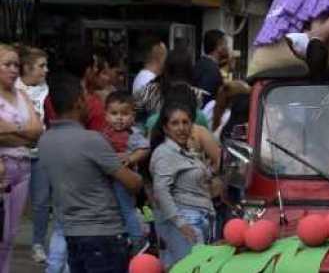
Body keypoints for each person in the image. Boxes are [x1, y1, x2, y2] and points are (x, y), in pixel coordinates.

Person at [39, 73, 142, 273]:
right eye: (86, 96)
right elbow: (132, 183)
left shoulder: (45, 141)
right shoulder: (92, 140)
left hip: (72, 233)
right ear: (78, 102)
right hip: (104, 234)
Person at [150, 101, 216, 267]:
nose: (181, 127)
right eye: (175, 123)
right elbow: (160, 191)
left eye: (185, 122)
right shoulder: (164, 153)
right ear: (166, 128)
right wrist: (181, 224)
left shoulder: (186, 152)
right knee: (189, 269)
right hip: (185, 221)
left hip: (200, 218)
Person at [0, 44, 44, 272]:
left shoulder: (21, 94)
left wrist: (13, 133)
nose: (13, 69)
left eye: (16, 64)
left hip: (24, 167)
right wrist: (25, 134)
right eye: (7, 64)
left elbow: (37, 131)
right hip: (2, 169)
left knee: (10, 233)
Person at [101, 91, 150, 252]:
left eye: (124, 114)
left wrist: (131, 158)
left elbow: (144, 148)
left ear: (133, 116)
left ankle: (137, 239)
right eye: (114, 113)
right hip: (106, 178)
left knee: (126, 208)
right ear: (106, 115)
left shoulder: (133, 134)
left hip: (124, 179)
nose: (119, 118)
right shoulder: (104, 133)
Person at [15, 45, 51, 264]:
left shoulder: (47, 91)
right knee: (10, 200)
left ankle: (38, 243)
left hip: (41, 153)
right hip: (16, 153)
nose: (46, 70)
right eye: (41, 66)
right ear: (27, 68)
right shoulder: (12, 89)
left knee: (42, 201)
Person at [136, 47, 208, 129]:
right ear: (190, 68)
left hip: (154, 134)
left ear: (166, 67)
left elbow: (137, 117)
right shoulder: (199, 95)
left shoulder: (148, 90)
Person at [63, 45, 106, 131]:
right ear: (88, 70)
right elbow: (97, 137)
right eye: (95, 67)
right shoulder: (93, 103)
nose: (97, 70)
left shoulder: (53, 96)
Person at [193, 30, 228, 107]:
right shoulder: (211, 70)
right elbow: (205, 97)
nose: (228, 47)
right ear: (219, 46)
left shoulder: (200, 63)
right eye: (225, 44)